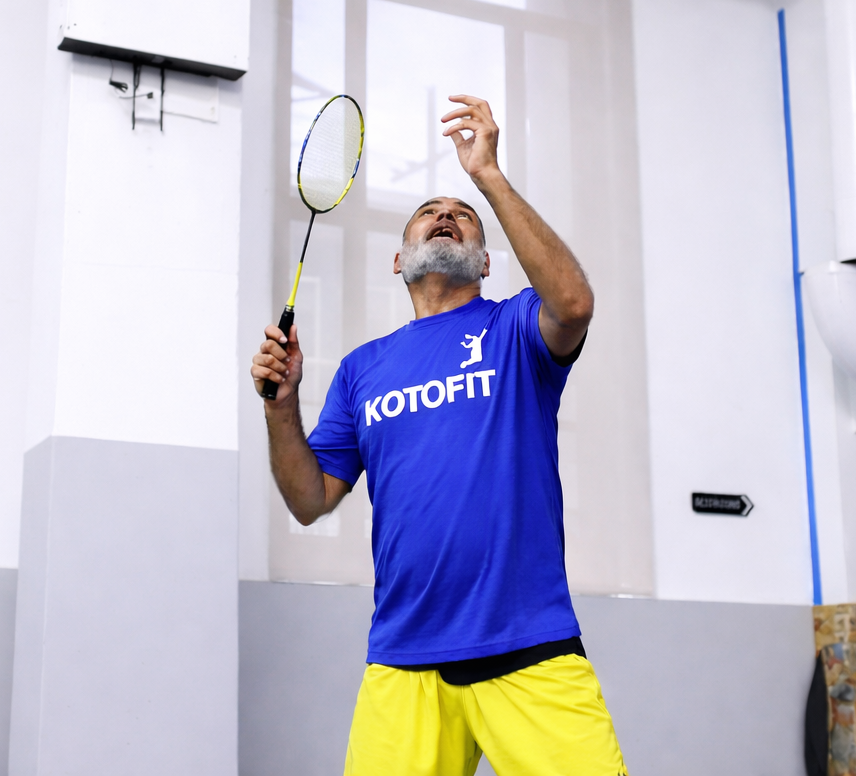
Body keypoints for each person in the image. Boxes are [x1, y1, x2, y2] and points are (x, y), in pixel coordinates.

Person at [251, 94, 627, 776]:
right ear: (398, 262)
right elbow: (310, 499)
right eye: (429, 212)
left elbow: (573, 303)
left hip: (528, 647)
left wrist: (487, 173)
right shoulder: (363, 370)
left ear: (487, 263)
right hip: (403, 657)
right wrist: (282, 409)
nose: (446, 214)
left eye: (464, 216)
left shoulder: (513, 330)